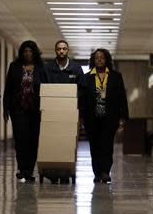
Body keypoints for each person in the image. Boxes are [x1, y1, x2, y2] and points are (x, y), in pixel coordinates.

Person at [80, 48, 129, 184]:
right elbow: (82, 99)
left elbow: (122, 97)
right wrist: (81, 117)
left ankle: (105, 172)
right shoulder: (87, 77)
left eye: (102, 57)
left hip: (110, 117)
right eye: (97, 58)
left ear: (106, 59)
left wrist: (123, 117)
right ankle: (97, 172)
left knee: (107, 145)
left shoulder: (115, 76)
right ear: (93, 60)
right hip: (92, 117)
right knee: (94, 146)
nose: (99, 60)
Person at [3, 40, 45, 183]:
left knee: (33, 140)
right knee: (20, 139)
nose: (27, 54)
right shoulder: (14, 67)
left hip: (35, 109)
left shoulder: (41, 68)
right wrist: (5, 108)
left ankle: (29, 169)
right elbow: (8, 88)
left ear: (34, 53)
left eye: (30, 51)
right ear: (21, 53)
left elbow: (46, 88)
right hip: (18, 108)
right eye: (25, 51)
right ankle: (21, 168)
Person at [43, 39, 83, 184]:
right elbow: (43, 88)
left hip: (70, 114)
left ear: (68, 50)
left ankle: (67, 171)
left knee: (68, 143)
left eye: (64, 49)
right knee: (52, 142)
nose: (61, 51)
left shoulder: (76, 69)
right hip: (51, 113)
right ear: (55, 50)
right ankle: (52, 171)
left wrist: (80, 114)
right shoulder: (47, 68)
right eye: (59, 49)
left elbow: (82, 91)